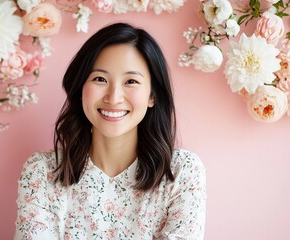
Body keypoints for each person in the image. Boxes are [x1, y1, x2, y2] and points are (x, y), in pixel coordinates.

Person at [14, 22, 206, 240]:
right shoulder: (43, 172)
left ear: (152, 96)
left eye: (131, 81)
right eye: (100, 79)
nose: (114, 97)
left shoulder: (182, 172)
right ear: (80, 89)